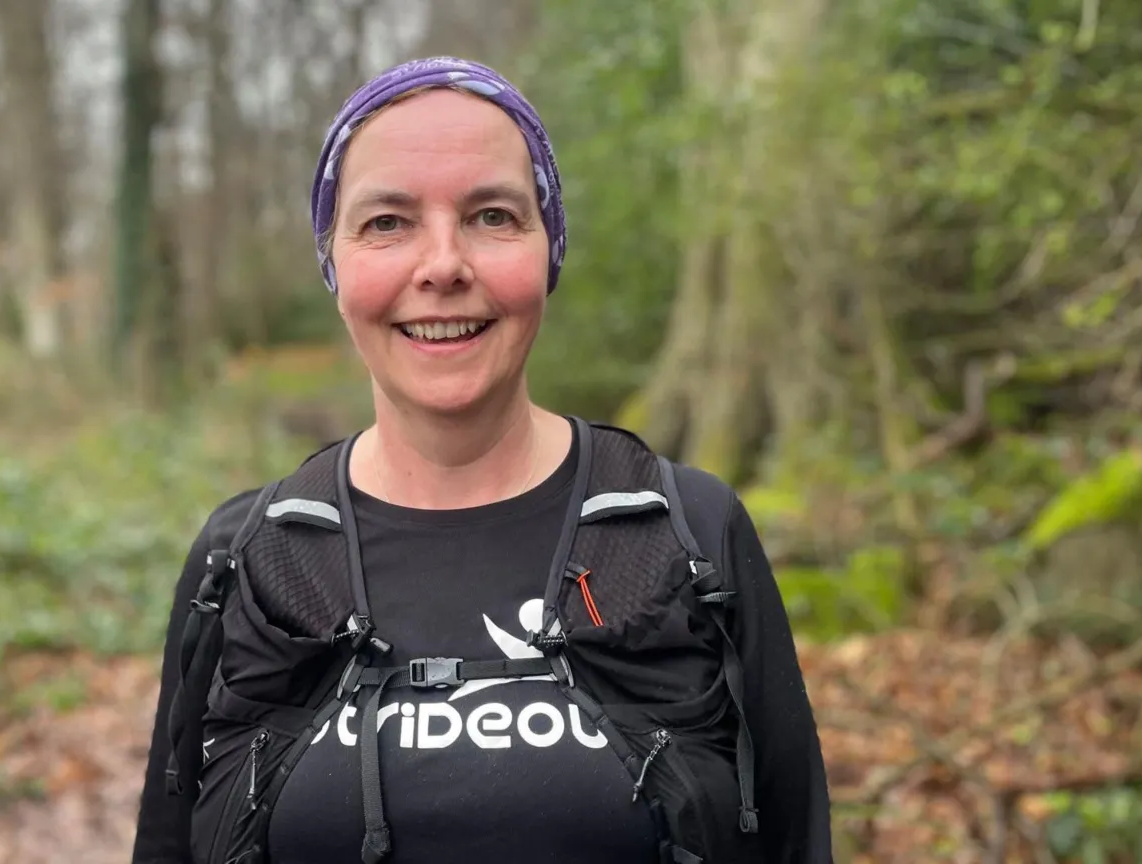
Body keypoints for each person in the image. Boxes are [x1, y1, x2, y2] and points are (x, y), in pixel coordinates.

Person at [131, 56, 832, 864]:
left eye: (492, 216)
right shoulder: (249, 558)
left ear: (549, 248)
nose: (442, 266)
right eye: (387, 222)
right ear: (335, 263)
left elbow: (795, 843)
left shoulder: (689, 531)